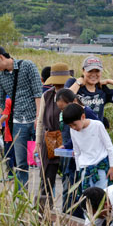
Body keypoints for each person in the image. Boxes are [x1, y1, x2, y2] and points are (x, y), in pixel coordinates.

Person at [0, 46, 43, 190]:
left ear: (1, 58)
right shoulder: (1, 77)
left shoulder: (28, 66)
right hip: (17, 122)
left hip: (34, 119)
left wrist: (39, 117)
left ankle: (45, 196)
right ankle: (21, 197)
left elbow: (38, 92)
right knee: (21, 163)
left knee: (43, 162)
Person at [55, 88, 99, 214]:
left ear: (74, 101)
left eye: (64, 108)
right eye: (61, 110)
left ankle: (75, 220)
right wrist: (67, 146)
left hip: (86, 161)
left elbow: (95, 136)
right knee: (69, 189)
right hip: (74, 160)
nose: (63, 112)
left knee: (77, 191)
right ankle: (68, 219)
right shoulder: (71, 116)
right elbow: (75, 137)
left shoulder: (88, 114)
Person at [35, 62, 71, 209]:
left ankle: (68, 212)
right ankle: (44, 212)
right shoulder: (47, 95)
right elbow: (41, 120)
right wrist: (38, 143)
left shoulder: (72, 94)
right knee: (46, 178)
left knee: (68, 179)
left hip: (68, 140)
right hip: (49, 139)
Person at [67, 55, 113, 125]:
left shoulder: (103, 90)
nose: (93, 74)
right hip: (78, 131)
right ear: (83, 71)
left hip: (96, 131)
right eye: (90, 71)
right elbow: (65, 98)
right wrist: (78, 83)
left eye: (97, 71)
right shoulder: (73, 83)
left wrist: (108, 81)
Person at [63, 103, 113, 191]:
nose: (73, 127)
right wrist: (78, 169)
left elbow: (109, 146)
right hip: (85, 167)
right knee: (86, 196)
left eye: (74, 124)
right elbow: (76, 151)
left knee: (102, 194)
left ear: (83, 117)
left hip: (100, 165)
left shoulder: (97, 125)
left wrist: (112, 166)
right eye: (70, 126)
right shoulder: (73, 131)